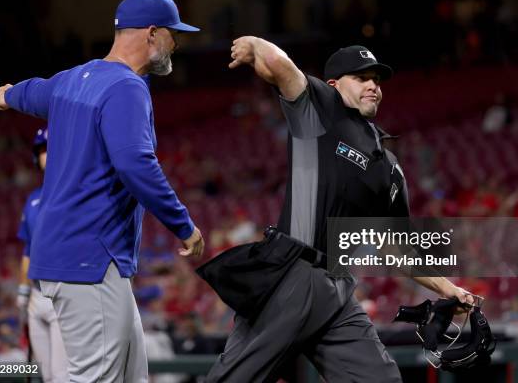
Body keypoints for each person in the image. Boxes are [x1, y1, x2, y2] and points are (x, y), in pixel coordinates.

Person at [203, 37, 477, 382]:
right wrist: (257, 46)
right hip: (292, 276)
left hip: (337, 289)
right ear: (334, 84)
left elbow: (396, 247)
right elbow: (285, 70)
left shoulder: (387, 165)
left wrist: (445, 288)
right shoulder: (319, 112)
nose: (372, 86)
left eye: (376, 79)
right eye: (360, 78)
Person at [0, 0, 204, 382]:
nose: (177, 42)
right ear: (152, 33)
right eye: (174, 33)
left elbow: (30, 91)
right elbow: (134, 163)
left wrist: (6, 95)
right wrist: (183, 224)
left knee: (131, 375)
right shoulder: (126, 86)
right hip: (87, 255)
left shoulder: (72, 79)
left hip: (69, 254)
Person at [16, 128, 69, 382]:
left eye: (51, 148)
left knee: (62, 376)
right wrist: (22, 291)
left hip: (63, 291)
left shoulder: (74, 194)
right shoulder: (32, 200)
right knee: (46, 375)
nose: (47, 155)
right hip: (36, 294)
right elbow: (28, 249)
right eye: (42, 150)